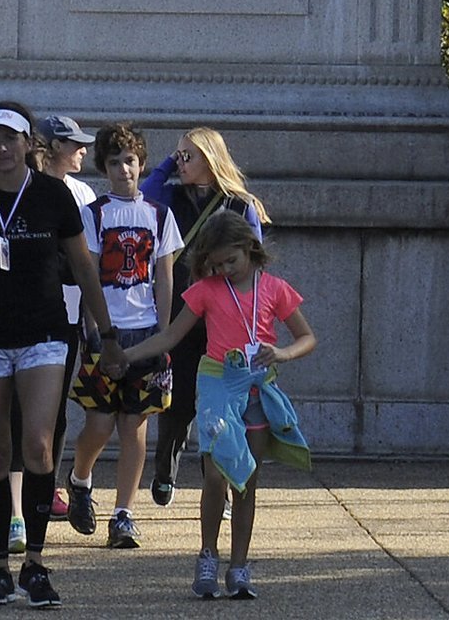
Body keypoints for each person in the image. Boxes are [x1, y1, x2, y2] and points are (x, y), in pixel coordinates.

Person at [0, 103, 124, 610]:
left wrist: (107, 332)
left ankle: (35, 562)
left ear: (28, 144)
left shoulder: (54, 196)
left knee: (37, 445)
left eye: (11, 138)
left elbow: (83, 266)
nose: (1, 148)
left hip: (43, 333)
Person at [121, 211, 315, 600]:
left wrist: (282, 354)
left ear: (250, 249)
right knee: (215, 475)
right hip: (216, 384)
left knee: (247, 479)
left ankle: (239, 565)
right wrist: (127, 356)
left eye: (233, 261)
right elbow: (171, 336)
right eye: (217, 263)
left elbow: (306, 337)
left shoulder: (275, 289)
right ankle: (208, 553)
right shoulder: (206, 290)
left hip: (258, 386)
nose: (225, 269)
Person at [65, 122, 182, 550]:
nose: (123, 170)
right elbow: (89, 274)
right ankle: (80, 478)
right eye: (114, 162)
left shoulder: (159, 215)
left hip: (145, 330)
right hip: (105, 329)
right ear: (104, 168)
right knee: (98, 423)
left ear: (141, 164)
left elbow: (165, 277)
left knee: (134, 425)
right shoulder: (94, 214)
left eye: (129, 161)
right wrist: (93, 331)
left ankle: (124, 512)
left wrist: (165, 336)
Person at [141, 127, 269, 508]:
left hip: (224, 318)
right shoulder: (170, 198)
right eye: (177, 156)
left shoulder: (239, 205)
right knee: (177, 403)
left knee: (223, 407)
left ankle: (222, 486)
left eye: (188, 156)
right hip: (182, 312)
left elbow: (256, 262)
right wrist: (167, 163)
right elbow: (146, 192)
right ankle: (165, 469)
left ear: (210, 160)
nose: (180, 163)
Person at [30, 115, 97, 526]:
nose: (82, 151)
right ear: (54, 147)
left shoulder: (85, 194)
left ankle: (49, 484)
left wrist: (93, 321)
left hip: (70, 313)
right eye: (74, 144)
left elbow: (88, 262)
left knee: (55, 410)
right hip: (32, 308)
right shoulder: (31, 187)